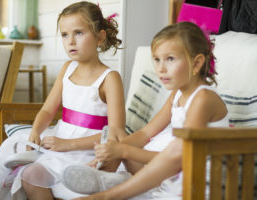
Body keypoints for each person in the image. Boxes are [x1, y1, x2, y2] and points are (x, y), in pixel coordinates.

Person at [0, 1, 126, 200]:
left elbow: (116, 134)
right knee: (29, 174)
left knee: (82, 180)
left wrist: (68, 144)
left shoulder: (109, 78)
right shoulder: (67, 69)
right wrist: (35, 130)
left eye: (79, 33)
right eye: (64, 34)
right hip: (60, 148)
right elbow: (47, 110)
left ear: (99, 37)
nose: (70, 41)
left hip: (91, 152)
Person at [62, 22, 229, 200]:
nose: (161, 68)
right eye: (157, 60)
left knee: (125, 149)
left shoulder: (203, 99)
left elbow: (179, 156)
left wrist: (122, 150)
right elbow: (145, 132)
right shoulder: (177, 94)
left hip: (194, 183)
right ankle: (105, 175)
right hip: (172, 172)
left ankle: (109, 190)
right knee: (122, 141)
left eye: (170, 59)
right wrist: (112, 152)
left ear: (196, 64)